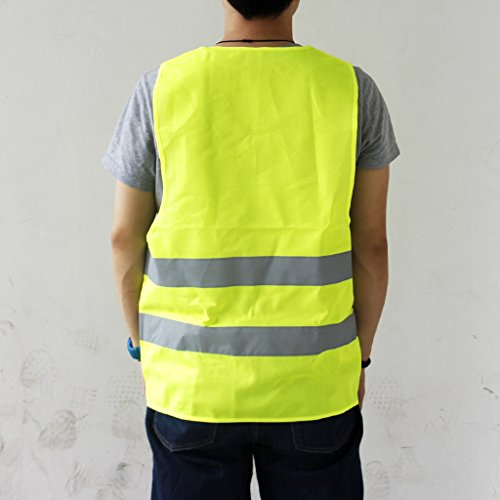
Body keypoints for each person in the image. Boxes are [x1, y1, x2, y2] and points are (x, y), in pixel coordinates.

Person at [102, 0, 400, 498]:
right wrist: (359, 358)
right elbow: (371, 247)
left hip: (192, 385)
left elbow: (123, 239)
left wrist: (142, 345)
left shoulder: (161, 88)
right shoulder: (352, 89)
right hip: (313, 385)